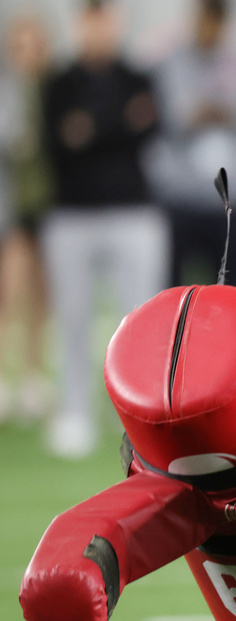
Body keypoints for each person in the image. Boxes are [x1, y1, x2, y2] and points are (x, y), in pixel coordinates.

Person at [41, 0, 168, 458]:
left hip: (133, 211)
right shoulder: (59, 82)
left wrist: (92, 128)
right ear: (79, 25)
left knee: (137, 321)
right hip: (72, 214)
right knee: (73, 317)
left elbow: (148, 131)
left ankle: (143, 416)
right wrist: (116, 123)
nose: (98, 28)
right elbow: (58, 142)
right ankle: (74, 411)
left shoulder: (139, 78)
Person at [145, 0, 236, 289]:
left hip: (230, 203)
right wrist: (190, 118)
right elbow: (151, 119)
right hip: (179, 198)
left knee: (231, 294)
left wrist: (232, 115)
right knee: (174, 295)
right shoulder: (166, 60)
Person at [0, 13, 54, 423]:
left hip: (48, 205)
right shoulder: (8, 92)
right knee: (9, 292)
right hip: (12, 204)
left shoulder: (54, 89)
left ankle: (34, 376)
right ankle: (5, 376)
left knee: (41, 295)